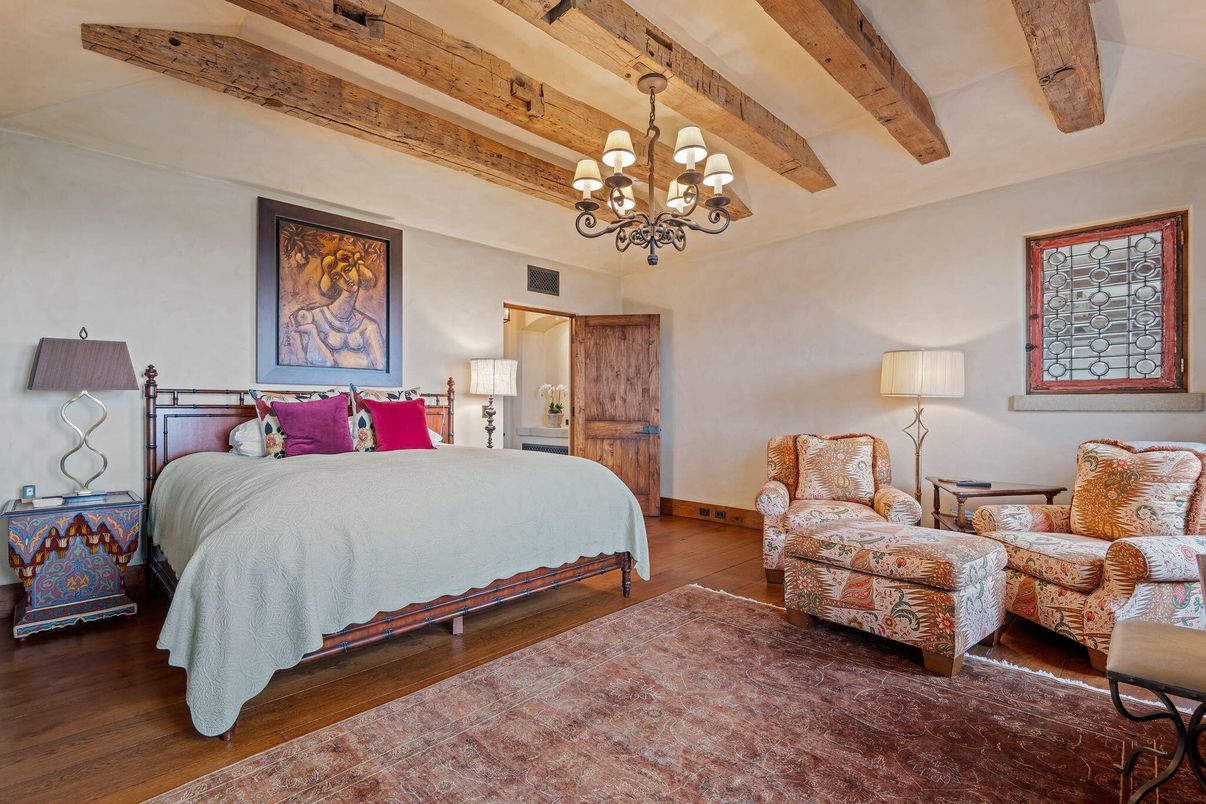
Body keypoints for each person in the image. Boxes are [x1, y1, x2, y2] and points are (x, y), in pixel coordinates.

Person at [285, 246, 385, 370]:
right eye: (337, 277)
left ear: (357, 268)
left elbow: (381, 369)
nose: (347, 279)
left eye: (348, 269)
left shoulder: (369, 326)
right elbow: (298, 367)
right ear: (333, 282)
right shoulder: (309, 318)